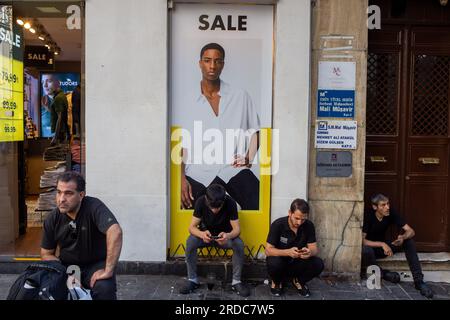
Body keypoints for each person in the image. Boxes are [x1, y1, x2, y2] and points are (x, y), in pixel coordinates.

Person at [179, 42, 260, 210]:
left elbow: (256, 131)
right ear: (200, 63)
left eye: (217, 61)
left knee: (258, 202)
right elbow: (180, 144)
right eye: (207, 60)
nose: (212, 66)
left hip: (232, 168)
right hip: (198, 172)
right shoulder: (186, 101)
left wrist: (248, 158)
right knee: (191, 214)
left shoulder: (240, 96)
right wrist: (181, 178)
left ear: (223, 64)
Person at [40, 171, 123, 300]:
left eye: (68, 193)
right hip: (68, 267)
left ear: (81, 195)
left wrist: (108, 270)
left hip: (95, 265)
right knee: (44, 289)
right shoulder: (53, 219)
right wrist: (65, 273)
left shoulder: (93, 206)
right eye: (59, 192)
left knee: (104, 288)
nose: (61, 199)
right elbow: (46, 253)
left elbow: (115, 232)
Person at [179, 183, 250, 297]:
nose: (214, 210)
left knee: (239, 244)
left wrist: (228, 235)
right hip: (205, 237)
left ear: (224, 200)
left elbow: (237, 230)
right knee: (191, 241)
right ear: (207, 199)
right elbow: (191, 228)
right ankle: (192, 279)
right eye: (212, 207)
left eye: (218, 207)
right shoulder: (201, 201)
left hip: (224, 238)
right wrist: (202, 234)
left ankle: (236, 281)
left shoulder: (230, 202)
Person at [362, 193, 434, 299]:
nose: (387, 207)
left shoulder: (390, 213)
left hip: (385, 248)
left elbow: (411, 231)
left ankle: (419, 282)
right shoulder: (368, 216)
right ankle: (384, 274)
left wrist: (403, 238)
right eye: (383, 205)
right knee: (366, 250)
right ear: (375, 207)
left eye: (388, 204)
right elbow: (362, 241)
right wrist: (382, 244)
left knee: (409, 242)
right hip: (372, 249)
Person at [265, 199, 324, 297]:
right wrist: (287, 252)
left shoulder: (309, 225)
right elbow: (268, 250)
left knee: (318, 264)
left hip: (297, 263)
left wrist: (309, 252)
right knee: (274, 263)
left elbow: (314, 249)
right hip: (280, 261)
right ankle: (276, 282)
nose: (299, 222)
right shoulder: (278, 224)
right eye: (296, 218)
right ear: (289, 213)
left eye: (303, 219)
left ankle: (298, 281)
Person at [41, 74, 70, 144]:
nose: (45, 85)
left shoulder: (58, 98)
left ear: (58, 83)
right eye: (42, 82)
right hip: (62, 132)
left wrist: (55, 137)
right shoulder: (61, 96)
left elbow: (60, 118)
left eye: (49, 81)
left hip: (60, 134)